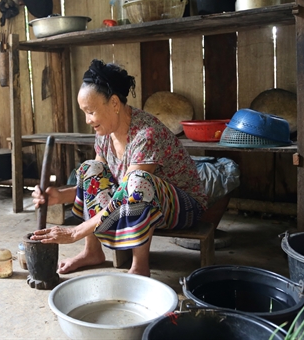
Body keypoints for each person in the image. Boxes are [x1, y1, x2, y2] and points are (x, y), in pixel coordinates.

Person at [30, 59, 208, 277]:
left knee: (138, 182)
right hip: (139, 204)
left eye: (90, 111)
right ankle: (92, 252)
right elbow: (99, 183)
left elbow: (129, 194)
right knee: (91, 169)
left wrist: (75, 231)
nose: (87, 120)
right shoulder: (104, 133)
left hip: (183, 208)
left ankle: (140, 266)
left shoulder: (146, 134)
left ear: (114, 103)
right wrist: (59, 195)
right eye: (84, 112)